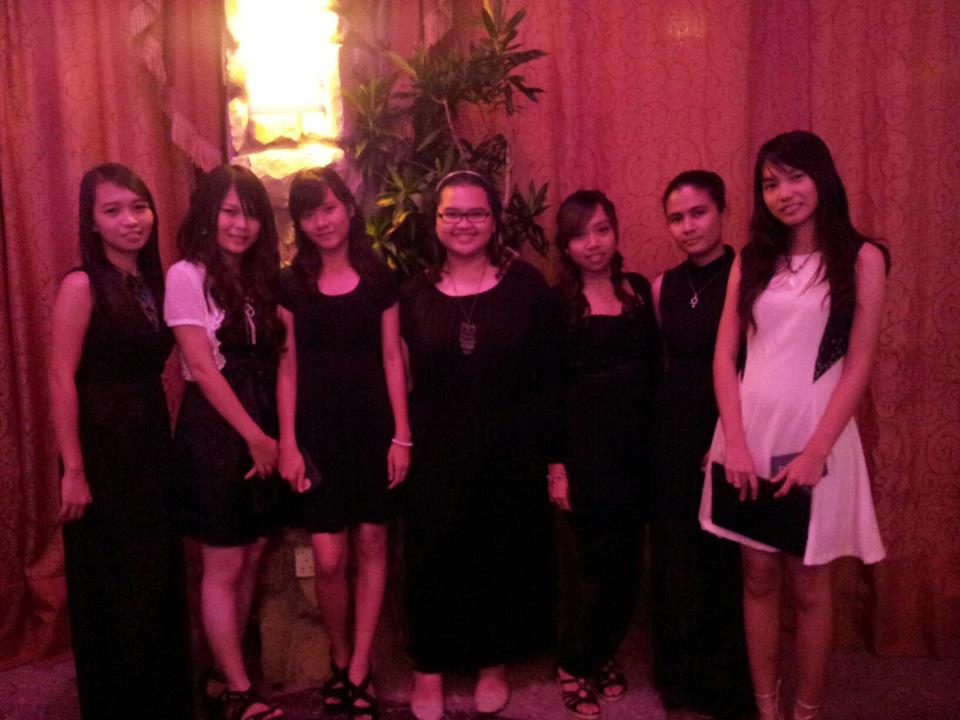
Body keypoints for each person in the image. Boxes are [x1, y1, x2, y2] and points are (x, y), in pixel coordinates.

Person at [701, 131, 889, 720]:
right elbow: (724, 355)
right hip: (748, 433)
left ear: (822, 177)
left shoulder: (861, 257)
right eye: (770, 183)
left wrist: (816, 451)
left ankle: (805, 713)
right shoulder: (752, 259)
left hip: (817, 436)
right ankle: (767, 708)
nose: (784, 192)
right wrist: (734, 443)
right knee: (757, 576)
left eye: (795, 177)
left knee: (810, 582)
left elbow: (858, 362)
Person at [399, 169, 557, 720]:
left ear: (494, 222)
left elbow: (548, 375)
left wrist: (552, 457)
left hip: (509, 447)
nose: (463, 224)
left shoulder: (527, 287)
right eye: (452, 213)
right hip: (436, 448)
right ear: (436, 221)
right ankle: (428, 668)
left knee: (498, 554)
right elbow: (397, 373)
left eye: (476, 213)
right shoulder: (413, 294)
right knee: (432, 556)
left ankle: (493, 663)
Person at [49, 163, 193, 718]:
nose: (131, 220)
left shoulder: (154, 282)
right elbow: (60, 377)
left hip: (149, 438)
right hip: (100, 447)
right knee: (113, 585)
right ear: (92, 222)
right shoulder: (82, 284)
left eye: (139, 207)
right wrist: (73, 469)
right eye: (113, 211)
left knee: (154, 577)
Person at [275, 166, 411, 720]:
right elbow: (287, 367)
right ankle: (338, 654)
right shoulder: (290, 284)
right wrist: (287, 442)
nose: (322, 221)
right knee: (329, 560)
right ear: (300, 223)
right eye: (309, 213)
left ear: (349, 209)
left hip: (375, 431)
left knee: (374, 543)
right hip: (317, 437)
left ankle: (359, 668)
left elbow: (392, 357)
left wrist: (402, 435)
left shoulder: (380, 277)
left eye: (329, 208)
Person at [164, 164, 287, 720]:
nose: (242, 224)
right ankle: (239, 691)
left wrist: (274, 434)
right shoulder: (185, 275)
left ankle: (222, 676)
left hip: (261, 418)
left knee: (254, 551)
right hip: (217, 429)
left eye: (252, 213)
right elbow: (201, 367)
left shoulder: (261, 279)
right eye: (231, 211)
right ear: (208, 215)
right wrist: (256, 437)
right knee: (223, 561)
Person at [547, 190, 661, 719]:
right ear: (565, 246)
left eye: (601, 230)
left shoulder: (638, 291)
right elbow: (549, 389)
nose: (592, 243)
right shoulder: (557, 304)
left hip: (637, 447)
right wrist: (557, 466)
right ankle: (573, 663)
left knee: (629, 564)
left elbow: (656, 370)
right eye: (579, 235)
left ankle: (603, 651)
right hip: (585, 450)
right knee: (593, 565)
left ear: (615, 233)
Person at [649, 170, 754, 720]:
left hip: (734, 430)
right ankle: (678, 678)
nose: (688, 226)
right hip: (672, 429)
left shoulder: (751, 276)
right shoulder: (663, 286)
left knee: (727, 559)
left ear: (723, 212)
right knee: (675, 554)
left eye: (698, 213)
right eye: (676, 218)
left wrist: (732, 437)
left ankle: (726, 680)